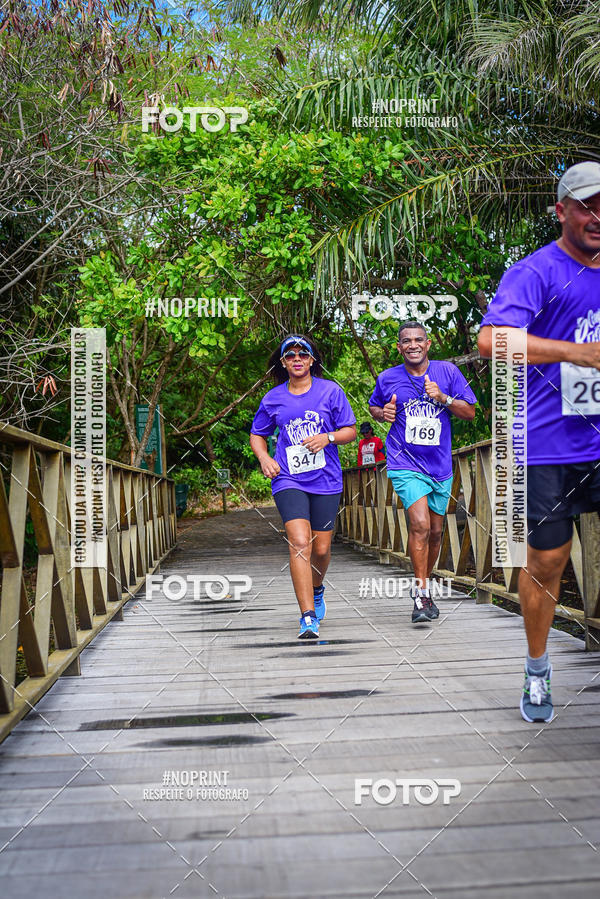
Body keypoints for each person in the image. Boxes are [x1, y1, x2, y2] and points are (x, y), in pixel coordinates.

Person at [478, 160, 600, 724]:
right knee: (547, 561)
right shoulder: (536, 271)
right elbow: (490, 342)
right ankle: (537, 666)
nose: (597, 216)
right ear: (562, 210)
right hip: (550, 446)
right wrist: (574, 352)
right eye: (586, 205)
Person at [369, 322, 477, 623]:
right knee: (419, 525)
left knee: (435, 531)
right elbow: (375, 408)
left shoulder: (447, 373)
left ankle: (424, 585)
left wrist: (444, 398)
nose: (412, 345)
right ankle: (420, 594)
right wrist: (383, 413)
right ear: (399, 347)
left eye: (418, 339)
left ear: (427, 345)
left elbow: (469, 412)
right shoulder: (388, 378)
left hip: (439, 465)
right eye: (406, 341)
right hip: (404, 462)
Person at [250, 335, 357, 638]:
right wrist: (264, 458)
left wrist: (328, 437)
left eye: (303, 354)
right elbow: (257, 433)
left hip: (325, 479)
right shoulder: (273, 398)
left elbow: (350, 430)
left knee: (321, 549)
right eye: (290, 355)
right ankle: (307, 617)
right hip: (288, 478)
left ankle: (317, 588)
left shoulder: (331, 391)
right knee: (299, 542)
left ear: (312, 360)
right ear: (283, 362)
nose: (297, 359)